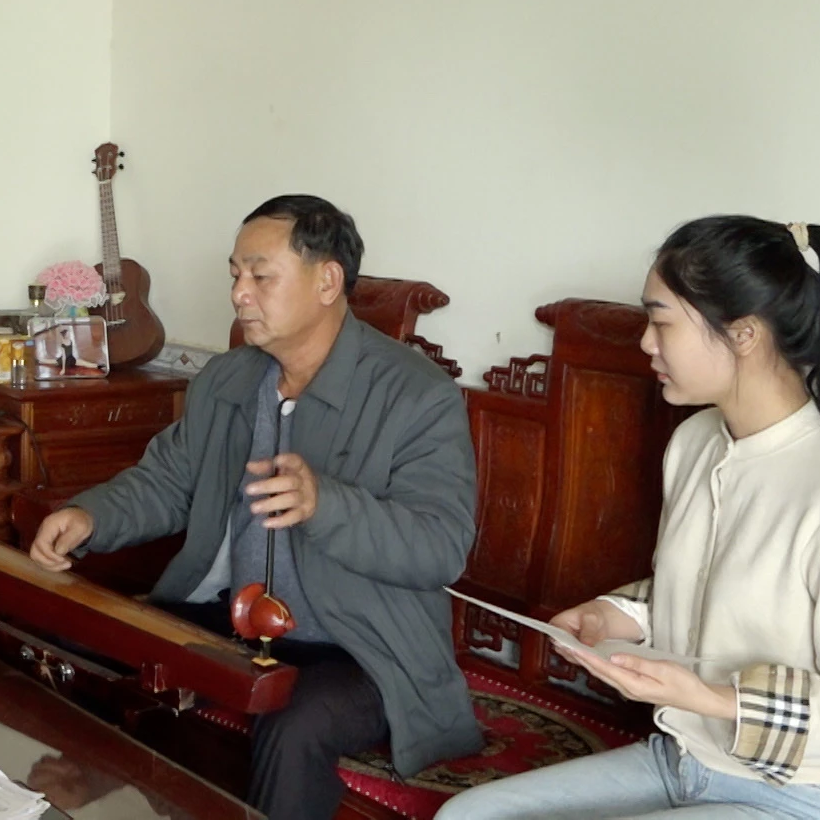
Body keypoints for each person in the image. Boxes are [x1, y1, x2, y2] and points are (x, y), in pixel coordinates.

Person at [437, 217, 820, 820]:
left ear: (743, 334)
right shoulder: (696, 443)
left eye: (661, 321)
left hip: (813, 795)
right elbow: (708, 586)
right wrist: (613, 616)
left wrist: (715, 700)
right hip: (687, 760)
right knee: (468, 816)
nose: (645, 342)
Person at [29, 195, 481, 820]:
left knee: (294, 727)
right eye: (235, 275)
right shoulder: (229, 378)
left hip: (358, 647)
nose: (240, 294)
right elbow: (169, 480)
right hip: (232, 623)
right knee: (74, 634)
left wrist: (326, 504)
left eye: (260, 275)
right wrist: (91, 517)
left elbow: (441, 546)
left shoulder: (416, 395)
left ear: (327, 280)